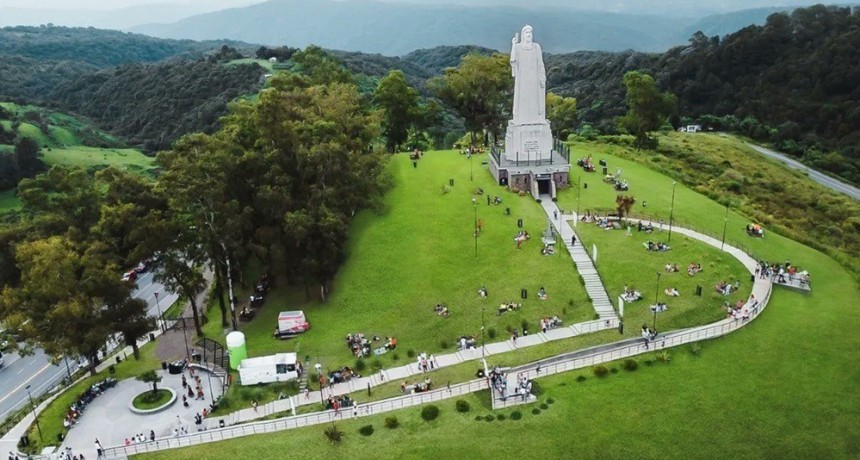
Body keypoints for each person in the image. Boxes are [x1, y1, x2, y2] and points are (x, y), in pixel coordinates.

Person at [510, 25, 546, 124]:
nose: (529, 34)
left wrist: (542, 77)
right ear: (523, 35)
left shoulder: (536, 47)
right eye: (527, 32)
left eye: (530, 32)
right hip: (522, 80)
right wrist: (513, 44)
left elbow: (540, 63)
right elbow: (513, 61)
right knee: (523, 101)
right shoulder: (518, 47)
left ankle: (535, 119)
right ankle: (522, 119)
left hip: (534, 79)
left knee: (534, 100)